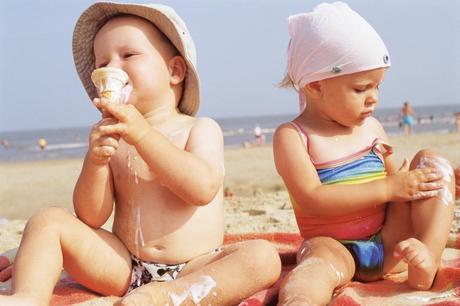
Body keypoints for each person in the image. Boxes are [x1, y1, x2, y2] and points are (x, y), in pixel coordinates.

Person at [0, 3, 281, 306]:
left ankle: (168, 296)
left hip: (194, 265)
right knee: (47, 220)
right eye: (103, 61)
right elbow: (92, 215)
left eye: (128, 55)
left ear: (175, 71)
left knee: (262, 258)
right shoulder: (114, 137)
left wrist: (143, 135)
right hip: (124, 265)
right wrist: (95, 162)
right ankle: (26, 297)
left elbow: (201, 188)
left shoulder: (199, 128)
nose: (112, 67)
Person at [273, 3, 454, 305]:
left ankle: (428, 256)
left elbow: (399, 180)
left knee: (433, 162)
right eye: (361, 89)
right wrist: (388, 187)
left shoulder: (372, 127)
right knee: (316, 264)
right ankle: (300, 300)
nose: (374, 99)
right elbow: (311, 197)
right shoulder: (294, 137)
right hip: (337, 247)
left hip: (391, 239)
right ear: (316, 86)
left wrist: (404, 173)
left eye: (378, 87)